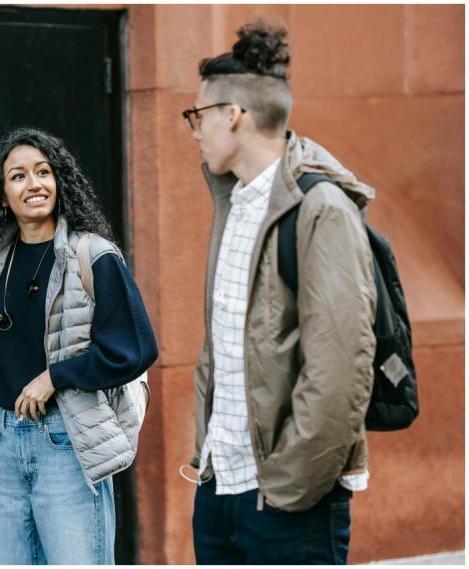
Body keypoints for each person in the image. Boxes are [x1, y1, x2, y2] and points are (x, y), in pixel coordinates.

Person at [182, 21, 377, 564]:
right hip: (220, 487)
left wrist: (290, 484)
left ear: (233, 114)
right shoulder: (234, 202)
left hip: (288, 502)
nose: (194, 131)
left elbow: (340, 369)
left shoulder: (320, 209)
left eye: (198, 116)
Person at [0, 127, 158, 565]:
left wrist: (55, 377)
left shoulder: (93, 254)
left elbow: (135, 348)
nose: (33, 184)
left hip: (67, 440)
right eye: (18, 176)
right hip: (6, 440)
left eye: (43, 172)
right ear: (2, 196)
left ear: (59, 181)